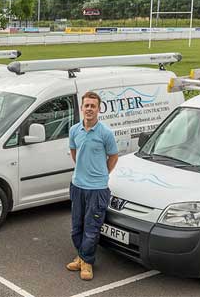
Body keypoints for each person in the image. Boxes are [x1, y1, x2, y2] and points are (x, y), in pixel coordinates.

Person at [64, 92, 119, 281]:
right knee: (76, 227)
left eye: (93, 106)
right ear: (82, 108)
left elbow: (113, 157)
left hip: (97, 189)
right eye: (86, 105)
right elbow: (74, 151)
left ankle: (86, 262)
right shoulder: (74, 131)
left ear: (98, 109)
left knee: (92, 227)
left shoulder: (105, 133)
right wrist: (82, 169)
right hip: (77, 185)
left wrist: (102, 173)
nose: (89, 109)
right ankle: (81, 257)